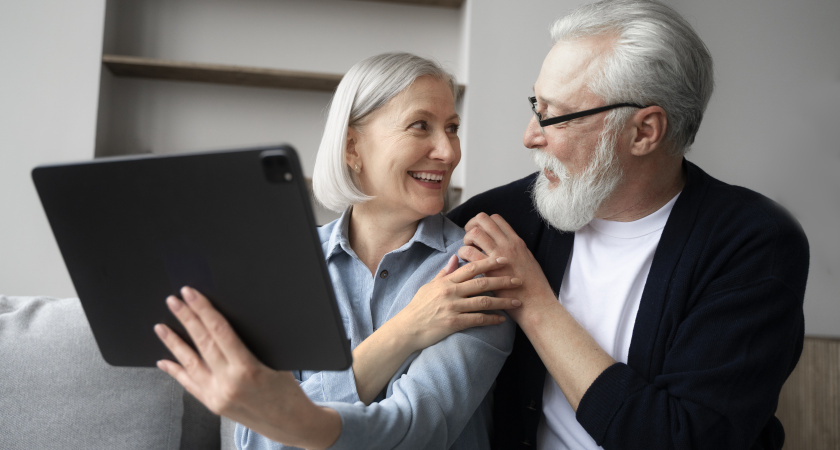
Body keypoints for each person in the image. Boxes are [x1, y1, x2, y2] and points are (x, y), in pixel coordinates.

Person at [447, 1, 810, 449]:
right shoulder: (499, 222)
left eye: (554, 115)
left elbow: (681, 439)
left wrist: (533, 302)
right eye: (534, 104)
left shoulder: (756, 246)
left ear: (643, 132)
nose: (529, 135)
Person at [153, 52, 521, 449]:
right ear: (351, 148)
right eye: (420, 126)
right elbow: (253, 440)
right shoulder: (286, 266)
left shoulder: (476, 270)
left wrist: (288, 416)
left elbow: (419, 431)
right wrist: (407, 328)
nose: (448, 152)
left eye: (452, 128)